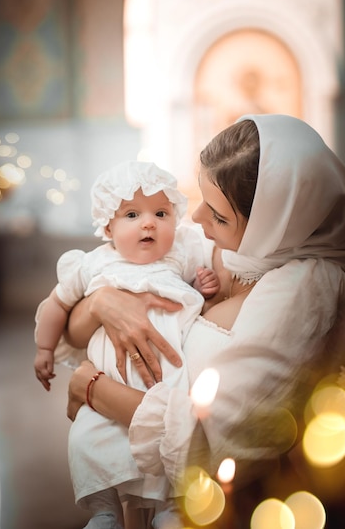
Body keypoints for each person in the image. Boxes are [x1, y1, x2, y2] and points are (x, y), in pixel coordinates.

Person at [63, 114, 345, 526]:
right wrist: (102, 302)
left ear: (276, 222)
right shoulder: (227, 249)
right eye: (202, 198)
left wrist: (93, 388)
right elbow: (81, 318)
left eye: (219, 216)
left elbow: (221, 433)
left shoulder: (310, 287)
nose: (198, 219)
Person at [34, 160, 220, 529]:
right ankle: (105, 511)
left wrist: (201, 287)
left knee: (167, 441)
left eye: (161, 213)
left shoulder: (179, 257)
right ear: (108, 226)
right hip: (110, 381)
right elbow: (56, 304)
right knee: (89, 439)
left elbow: (187, 300)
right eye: (132, 214)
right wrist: (43, 348)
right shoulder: (92, 264)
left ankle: (172, 506)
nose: (148, 222)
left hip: (164, 380)